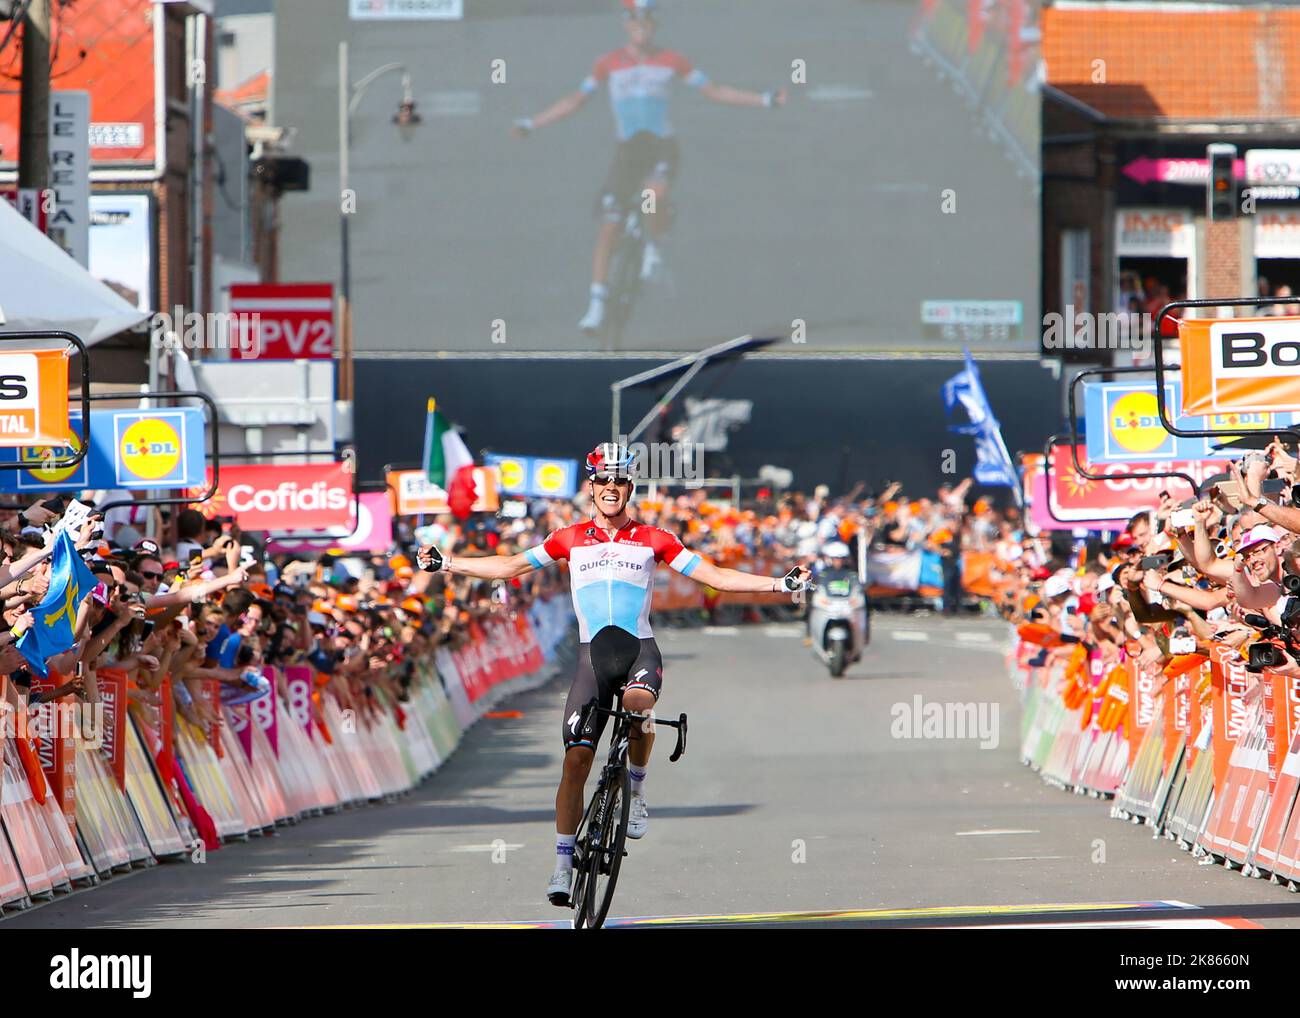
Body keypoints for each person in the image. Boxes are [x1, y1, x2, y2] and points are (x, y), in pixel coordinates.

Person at [415, 442, 810, 908]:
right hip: (591, 659)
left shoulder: (654, 538)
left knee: (640, 705)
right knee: (575, 763)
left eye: (620, 481)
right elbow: (511, 566)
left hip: (639, 650)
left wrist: (778, 584)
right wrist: (448, 564)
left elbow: (714, 576)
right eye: (603, 480)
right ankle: (562, 866)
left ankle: (637, 789)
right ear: (592, 486)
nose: (611, 488)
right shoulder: (568, 537)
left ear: (630, 488)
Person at [509, 0, 787, 334]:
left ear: (655, 24)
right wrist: (531, 123)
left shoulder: (672, 60)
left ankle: (654, 249)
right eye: (635, 19)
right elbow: (575, 101)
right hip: (628, 152)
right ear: (626, 23)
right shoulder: (608, 63)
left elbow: (715, 92)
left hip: (661, 148)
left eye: (648, 19)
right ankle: (596, 302)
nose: (641, 25)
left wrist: (765, 100)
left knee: (653, 195)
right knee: (609, 224)